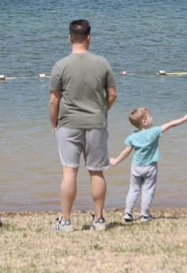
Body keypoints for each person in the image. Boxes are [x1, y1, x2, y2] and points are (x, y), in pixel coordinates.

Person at [49, 19, 117, 232]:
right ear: (89, 38)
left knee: (69, 172)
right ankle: (98, 220)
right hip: (96, 122)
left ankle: (66, 222)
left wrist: (54, 123)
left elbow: (54, 100)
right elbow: (112, 94)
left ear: (70, 37)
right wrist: (102, 110)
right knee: (97, 172)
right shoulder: (102, 63)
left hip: (68, 123)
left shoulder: (61, 65)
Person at [109, 109, 187, 223]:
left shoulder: (132, 137)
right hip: (150, 167)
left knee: (133, 189)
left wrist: (115, 161)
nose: (152, 117)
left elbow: (126, 152)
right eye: (150, 116)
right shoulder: (154, 132)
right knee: (148, 190)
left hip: (136, 167)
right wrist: (185, 118)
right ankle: (144, 214)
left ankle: (128, 213)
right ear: (144, 121)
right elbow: (171, 124)